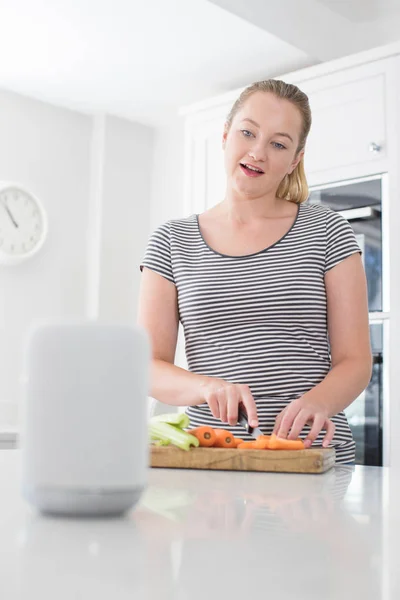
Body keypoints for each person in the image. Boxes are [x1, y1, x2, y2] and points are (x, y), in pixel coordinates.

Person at [137, 79, 372, 464]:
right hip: (212, 459)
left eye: (278, 144)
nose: (257, 152)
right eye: (248, 133)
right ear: (227, 135)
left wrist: (317, 402)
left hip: (308, 455)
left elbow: (355, 361)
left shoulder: (328, 231)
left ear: (295, 159)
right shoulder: (171, 241)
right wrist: (208, 387)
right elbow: (147, 367)